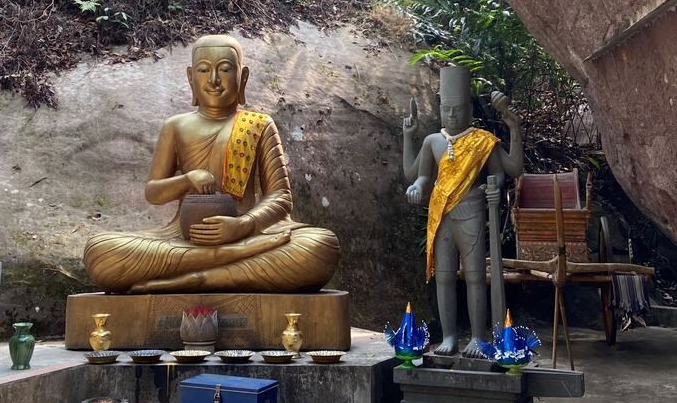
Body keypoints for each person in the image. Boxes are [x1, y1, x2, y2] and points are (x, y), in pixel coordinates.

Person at [83, 34, 340, 293]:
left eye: (225, 70)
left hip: (248, 235)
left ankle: (201, 279)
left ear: (243, 77)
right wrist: (185, 180)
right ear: (190, 77)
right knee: (100, 252)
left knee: (321, 246)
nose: (214, 80)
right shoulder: (176, 126)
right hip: (186, 239)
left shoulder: (259, 125)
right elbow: (154, 192)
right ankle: (222, 264)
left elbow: (280, 197)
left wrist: (244, 225)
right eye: (204, 70)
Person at [404, 65, 523, 356]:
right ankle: (449, 336)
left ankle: (479, 337)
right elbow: (414, 174)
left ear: (469, 109)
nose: (453, 115)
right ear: (441, 109)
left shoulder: (482, 142)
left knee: (473, 277)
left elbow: (510, 170)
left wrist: (514, 128)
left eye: (458, 109)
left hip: (472, 212)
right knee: (443, 277)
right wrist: (409, 137)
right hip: (441, 215)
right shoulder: (433, 141)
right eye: (447, 110)